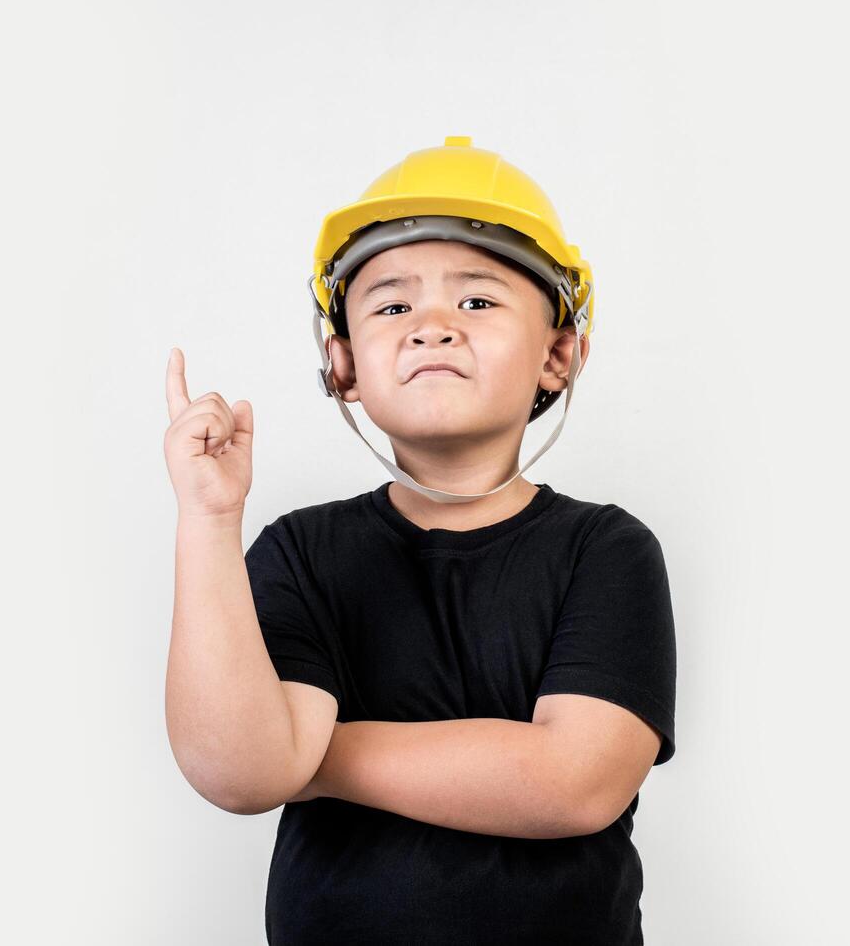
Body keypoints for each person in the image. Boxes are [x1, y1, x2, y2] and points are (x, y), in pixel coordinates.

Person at [163, 136, 677, 945]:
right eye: (392, 305)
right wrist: (208, 519)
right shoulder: (299, 553)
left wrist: (309, 755)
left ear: (558, 353)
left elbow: (573, 783)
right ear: (342, 365)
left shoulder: (604, 549)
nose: (432, 327)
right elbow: (239, 771)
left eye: (476, 301)